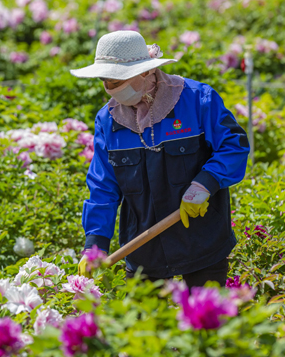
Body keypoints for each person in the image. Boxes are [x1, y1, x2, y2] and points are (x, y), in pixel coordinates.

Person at [71, 31, 250, 288]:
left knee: (207, 323)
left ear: (145, 71)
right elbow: (103, 186)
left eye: (118, 80)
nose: (112, 88)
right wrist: (95, 244)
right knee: (146, 325)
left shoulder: (197, 100)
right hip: (143, 246)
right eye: (107, 81)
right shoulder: (107, 121)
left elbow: (234, 145)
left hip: (202, 237)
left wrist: (205, 184)